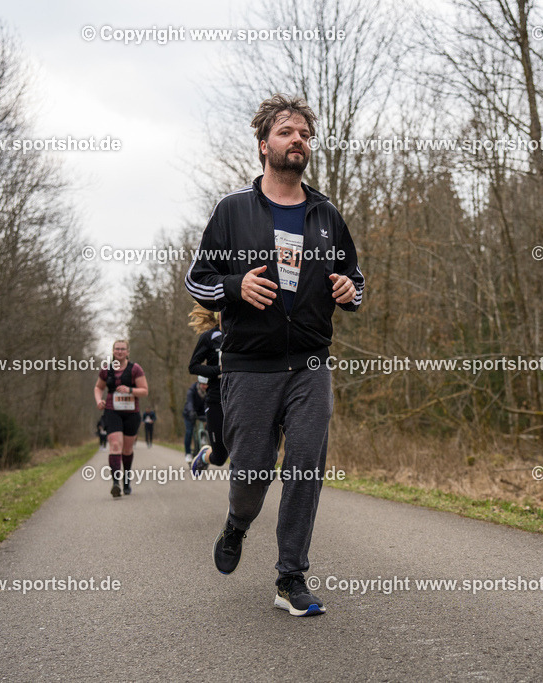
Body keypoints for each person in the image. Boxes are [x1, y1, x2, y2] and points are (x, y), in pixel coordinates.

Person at [185, 94, 363, 616]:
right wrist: (236, 286)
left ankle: (290, 577)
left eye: (304, 133)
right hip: (249, 365)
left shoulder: (325, 213)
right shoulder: (233, 210)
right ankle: (237, 523)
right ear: (264, 145)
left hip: (310, 363)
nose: (298, 140)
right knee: (253, 473)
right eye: (287, 132)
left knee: (305, 467)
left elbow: (355, 278)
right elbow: (199, 279)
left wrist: (351, 292)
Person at [93, 339, 149, 497]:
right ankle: (116, 483)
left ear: (127, 352)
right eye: (117, 349)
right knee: (115, 444)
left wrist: (129, 390)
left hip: (131, 413)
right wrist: (99, 400)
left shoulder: (135, 369)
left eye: (122, 349)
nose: (119, 351)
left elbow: (144, 391)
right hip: (112, 411)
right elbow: (98, 387)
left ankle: (126, 480)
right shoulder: (106, 369)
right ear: (113, 351)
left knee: (127, 449)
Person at [188, 304, 228, 475]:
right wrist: (218, 371)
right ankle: (204, 456)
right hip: (216, 397)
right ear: (217, 315)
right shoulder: (209, 337)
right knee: (219, 458)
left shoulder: (245, 335)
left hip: (242, 397)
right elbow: (193, 367)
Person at [183, 378, 207, 463]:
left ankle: (204, 439)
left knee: (209, 425)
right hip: (189, 413)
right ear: (199, 383)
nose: (205, 386)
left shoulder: (208, 392)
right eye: (203, 384)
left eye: (206, 384)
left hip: (201, 414)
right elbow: (189, 403)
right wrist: (191, 412)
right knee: (189, 432)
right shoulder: (192, 390)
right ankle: (188, 453)